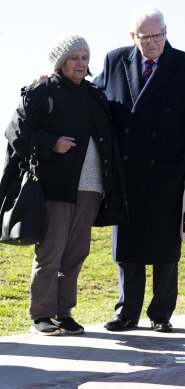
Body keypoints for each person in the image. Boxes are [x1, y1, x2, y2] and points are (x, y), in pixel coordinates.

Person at [93, 6, 185, 332]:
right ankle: (126, 311)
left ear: (166, 32)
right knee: (127, 244)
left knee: (165, 245)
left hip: (169, 172)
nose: (154, 43)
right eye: (147, 38)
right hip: (127, 171)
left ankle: (161, 314)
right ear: (133, 37)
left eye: (160, 35)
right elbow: (94, 94)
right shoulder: (115, 60)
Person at [3, 34, 127, 335]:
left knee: (76, 253)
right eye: (75, 58)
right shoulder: (41, 90)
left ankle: (63, 312)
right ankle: (41, 314)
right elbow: (14, 132)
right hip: (56, 186)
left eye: (85, 58)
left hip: (91, 188)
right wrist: (50, 143)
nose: (82, 64)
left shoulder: (94, 94)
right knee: (51, 252)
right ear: (61, 62)